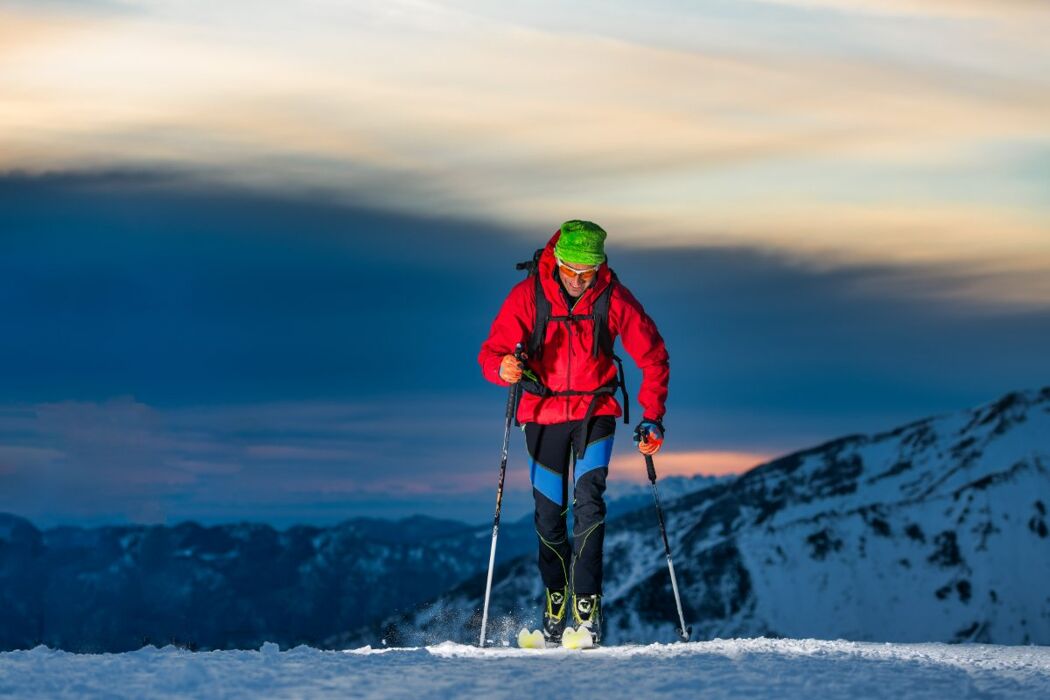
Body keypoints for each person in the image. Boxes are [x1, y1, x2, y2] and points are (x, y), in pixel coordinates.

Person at [478, 220, 669, 646]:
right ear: (557, 262)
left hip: (595, 410)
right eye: (571, 272)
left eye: (589, 274)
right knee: (549, 512)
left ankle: (587, 608)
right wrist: (502, 368)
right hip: (542, 411)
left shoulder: (612, 297)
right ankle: (555, 601)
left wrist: (652, 416)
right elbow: (490, 353)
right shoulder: (527, 296)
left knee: (589, 502)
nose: (580, 282)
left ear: (600, 267)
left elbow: (653, 355)